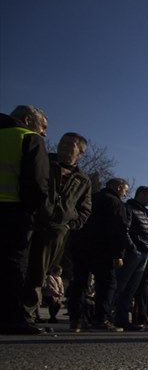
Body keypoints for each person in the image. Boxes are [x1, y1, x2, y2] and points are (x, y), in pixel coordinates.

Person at [23, 132, 91, 323]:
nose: (64, 146)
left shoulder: (82, 180)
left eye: (70, 144)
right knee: (18, 265)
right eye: (62, 142)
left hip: (57, 229)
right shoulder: (44, 163)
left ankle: (27, 315)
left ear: (80, 151)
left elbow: (85, 209)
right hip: (32, 220)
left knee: (39, 272)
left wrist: (68, 225)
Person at [0, 105, 50, 335]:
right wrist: (35, 211)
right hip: (12, 210)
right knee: (12, 266)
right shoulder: (29, 138)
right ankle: (11, 318)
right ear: (26, 120)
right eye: (43, 126)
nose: (45, 133)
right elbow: (36, 182)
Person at [67, 178, 131, 331]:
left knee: (79, 282)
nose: (125, 194)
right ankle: (101, 318)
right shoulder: (115, 203)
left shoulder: (91, 198)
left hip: (81, 245)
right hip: (103, 249)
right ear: (119, 187)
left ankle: (77, 319)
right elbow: (119, 230)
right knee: (107, 284)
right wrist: (118, 254)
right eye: (125, 190)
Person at [113, 186, 148, 330]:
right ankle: (107, 316)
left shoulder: (146, 212)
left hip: (145, 252)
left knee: (131, 288)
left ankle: (122, 319)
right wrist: (131, 247)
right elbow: (124, 229)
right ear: (140, 194)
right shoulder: (129, 208)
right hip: (134, 251)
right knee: (121, 285)